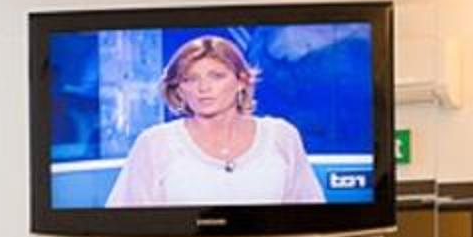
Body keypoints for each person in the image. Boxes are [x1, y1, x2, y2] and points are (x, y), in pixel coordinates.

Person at [107, 33, 327, 207]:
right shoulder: (155, 143)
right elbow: (125, 224)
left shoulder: (281, 136)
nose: (204, 88)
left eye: (217, 76)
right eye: (190, 79)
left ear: (241, 81)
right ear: (179, 90)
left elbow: (312, 218)